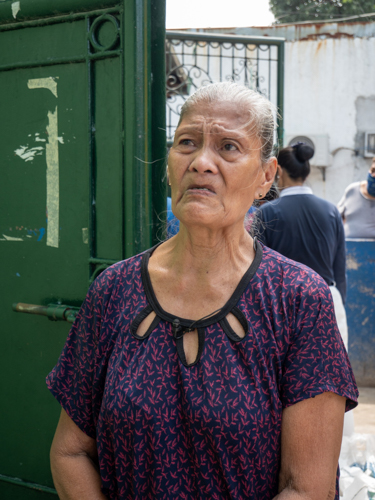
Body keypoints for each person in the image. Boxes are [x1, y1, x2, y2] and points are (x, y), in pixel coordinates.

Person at [47, 83, 358, 500]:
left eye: (228, 147)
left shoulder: (298, 300)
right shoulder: (114, 291)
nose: (201, 163)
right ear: (170, 163)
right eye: (187, 143)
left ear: (266, 176)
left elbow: (306, 488)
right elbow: (70, 452)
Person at [258, 143, 349, 350]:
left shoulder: (267, 213)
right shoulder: (331, 211)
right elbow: (340, 269)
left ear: (278, 170)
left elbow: (259, 270)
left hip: (282, 307)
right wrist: (336, 302)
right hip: (327, 300)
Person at [337, 157, 375, 238]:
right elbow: (336, 220)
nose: (374, 175)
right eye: (373, 170)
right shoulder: (352, 190)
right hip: (348, 249)